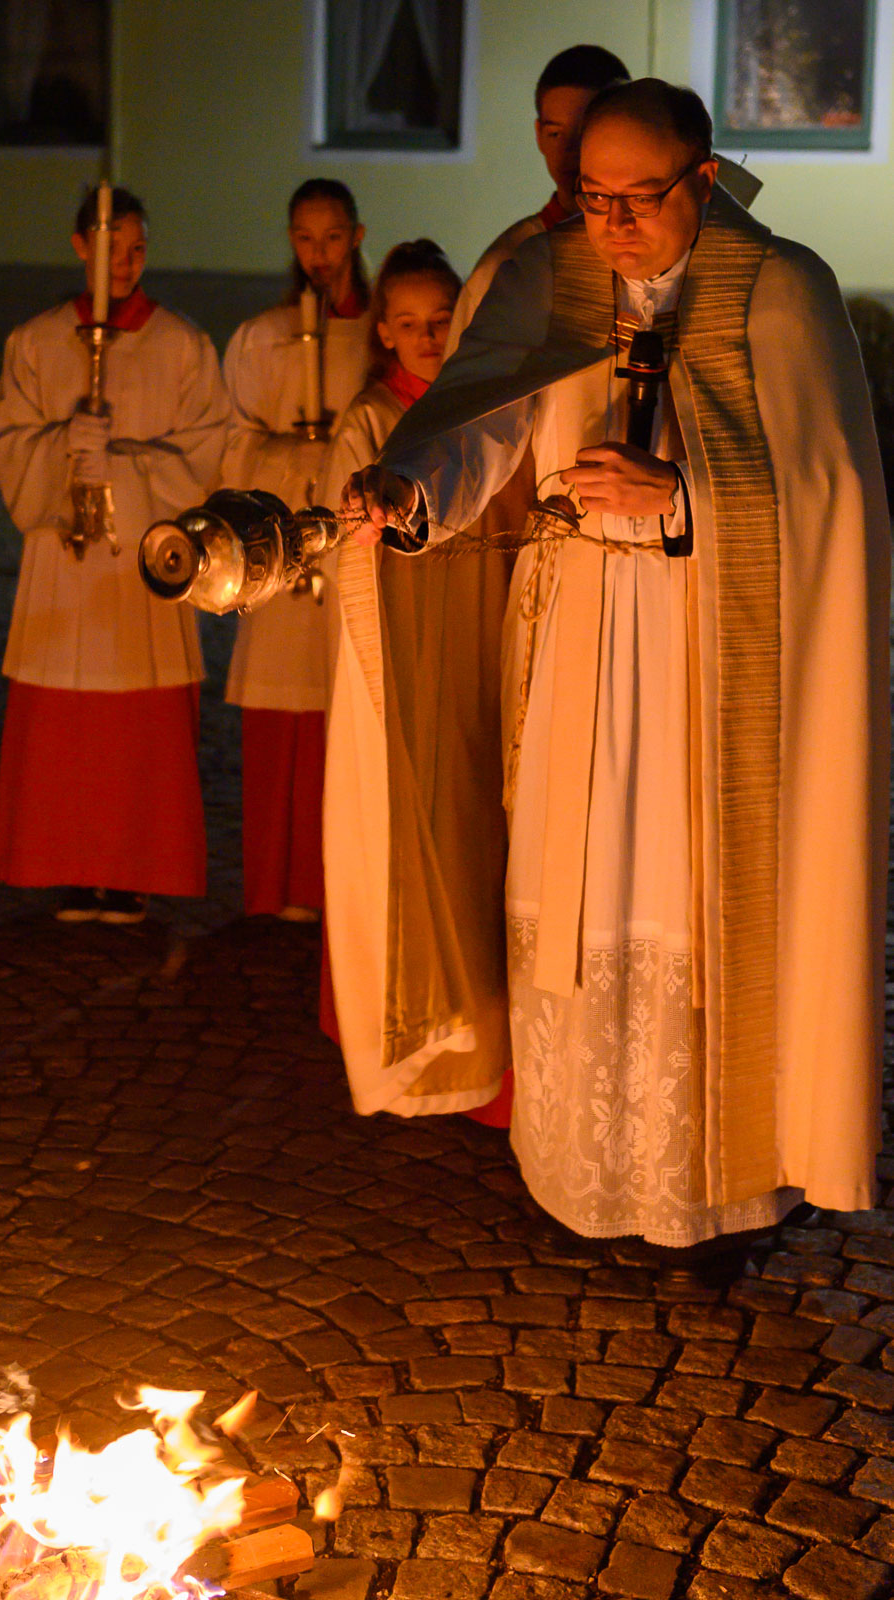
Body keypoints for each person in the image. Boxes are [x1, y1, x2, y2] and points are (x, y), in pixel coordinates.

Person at [338, 80, 889, 1248]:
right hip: (577, 641)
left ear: (703, 178)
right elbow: (477, 419)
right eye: (592, 198)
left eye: (638, 198)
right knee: (576, 898)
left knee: (691, 909)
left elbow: (833, 502)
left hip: (712, 659)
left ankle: (717, 1195)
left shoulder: (779, 289)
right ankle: (582, 1180)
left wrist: (681, 495)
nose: (612, 226)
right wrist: (409, 487)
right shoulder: (548, 278)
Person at [0, 186, 229, 925]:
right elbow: (5, 437)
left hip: (142, 562)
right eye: (110, 248)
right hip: (63, 561)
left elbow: (207, 452)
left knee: (135, 730)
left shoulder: (181, 345)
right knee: (69, 730)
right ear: (78, 247)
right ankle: (71, 864)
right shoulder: (37, 341)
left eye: (137, 249)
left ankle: (133, 869)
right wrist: (61, 448)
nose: (124, 263)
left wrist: (120, 463)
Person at [315, 239, 515, 1128]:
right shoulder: (371, 420)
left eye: (443, 321)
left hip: (483, 633)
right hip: (410, 654)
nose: (429, 338)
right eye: (410, 323)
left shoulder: (486, 409)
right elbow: (349, 542)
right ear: (384, 333)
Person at [223, 179, 371, 922]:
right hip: (280, 548)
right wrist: (294, 458)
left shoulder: (378, 336)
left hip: (351, 547)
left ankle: (333, 882)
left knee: (344, 715)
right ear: (291, 241)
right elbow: (230, 445)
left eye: (333, 237)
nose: (320, 255)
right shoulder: (262, 338)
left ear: (357, 237)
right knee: (282, 715)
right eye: (307, 239)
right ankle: (275, 881)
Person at [445, 43, 629, 350]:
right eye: (555, 133)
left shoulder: (648, 247)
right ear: (538, 135)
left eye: (584, 132)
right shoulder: (508, 267)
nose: (568, 150)